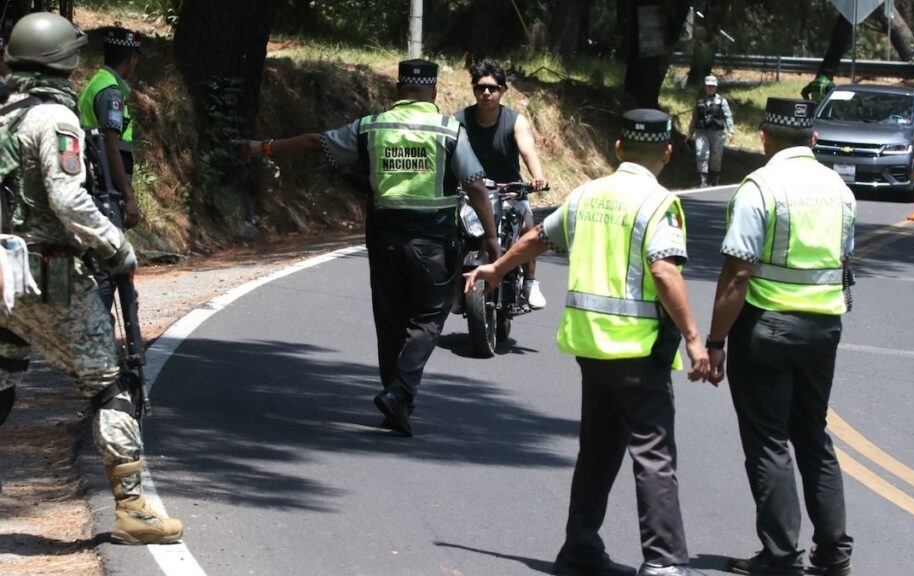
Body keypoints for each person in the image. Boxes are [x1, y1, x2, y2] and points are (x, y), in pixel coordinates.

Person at [465, 109, 711, 576]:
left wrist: (497, 269)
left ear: (617, 148)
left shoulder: (587, 195)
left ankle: (579, 547)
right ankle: (661, 563)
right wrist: (695, 340)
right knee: (653, 454)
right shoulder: (660, 203)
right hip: (638, 350)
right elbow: (663, 269)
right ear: (666, 151)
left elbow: (539, 236)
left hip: (591, 349)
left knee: (598, 449)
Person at [236, 59, 500, 438]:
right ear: (435, 92)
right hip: (433, 241)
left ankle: (397, 402)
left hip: (384, 239)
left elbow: (317, 143)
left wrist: (263, 147)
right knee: (428, 318)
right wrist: (490, 236)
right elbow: (475, 184)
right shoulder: (447, 128)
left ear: (398, 91)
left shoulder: (372, 126)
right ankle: (400, 391)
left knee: (390, 319)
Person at [0, 12, 182, 543]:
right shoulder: (53, 119)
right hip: (47, 273)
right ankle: (133, 511)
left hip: (3, 274)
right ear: (64, 60)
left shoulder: (3, 113)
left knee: (5, 367)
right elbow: (68, 198)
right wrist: (115, 246)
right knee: (108, 387)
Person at [704, 98, 856, 576]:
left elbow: (737, 272)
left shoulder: (760, 187)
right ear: (813, 139)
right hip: (823, 328)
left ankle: (781, 556)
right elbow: (844, 260)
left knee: (769, 442)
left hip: (766, 327)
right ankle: (834, 556)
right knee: (812, 435)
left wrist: (715, 341)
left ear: (765, 139)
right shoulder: (840, 190)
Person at [455, 59, 548, 309]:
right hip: (470, 193)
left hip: (510, 192)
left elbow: (527, 149)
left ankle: (529, 282)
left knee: (529, 229)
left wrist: (537, 175)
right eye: (480, 87)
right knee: (452, 233)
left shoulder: (515, 121)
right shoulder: (459, 120)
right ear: (474, 90)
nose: (486, 93)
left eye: (493, 88)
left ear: (503, 90)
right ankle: (453, 283)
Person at [77, 26, 144, 311]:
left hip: (97, 185)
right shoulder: (110, 93)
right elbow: (111, 146)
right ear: (130, 58)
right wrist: (128, 196)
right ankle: (102, 334)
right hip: (106, 192)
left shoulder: (98, 82)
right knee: (107, 267)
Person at [688, 75, 734, 188]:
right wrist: (690, 133)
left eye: (713, 86)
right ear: (705, 87)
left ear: (716, 87)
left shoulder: (721, 101)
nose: (711, 88)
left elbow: (728, 116)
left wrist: (731, 131)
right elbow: (695, 118)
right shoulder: (700, 101)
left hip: (717, 132)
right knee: (702, 154)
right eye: (709, 86)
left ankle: (715, 178)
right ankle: (703, 179)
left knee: (716, 156)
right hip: (701, 132)